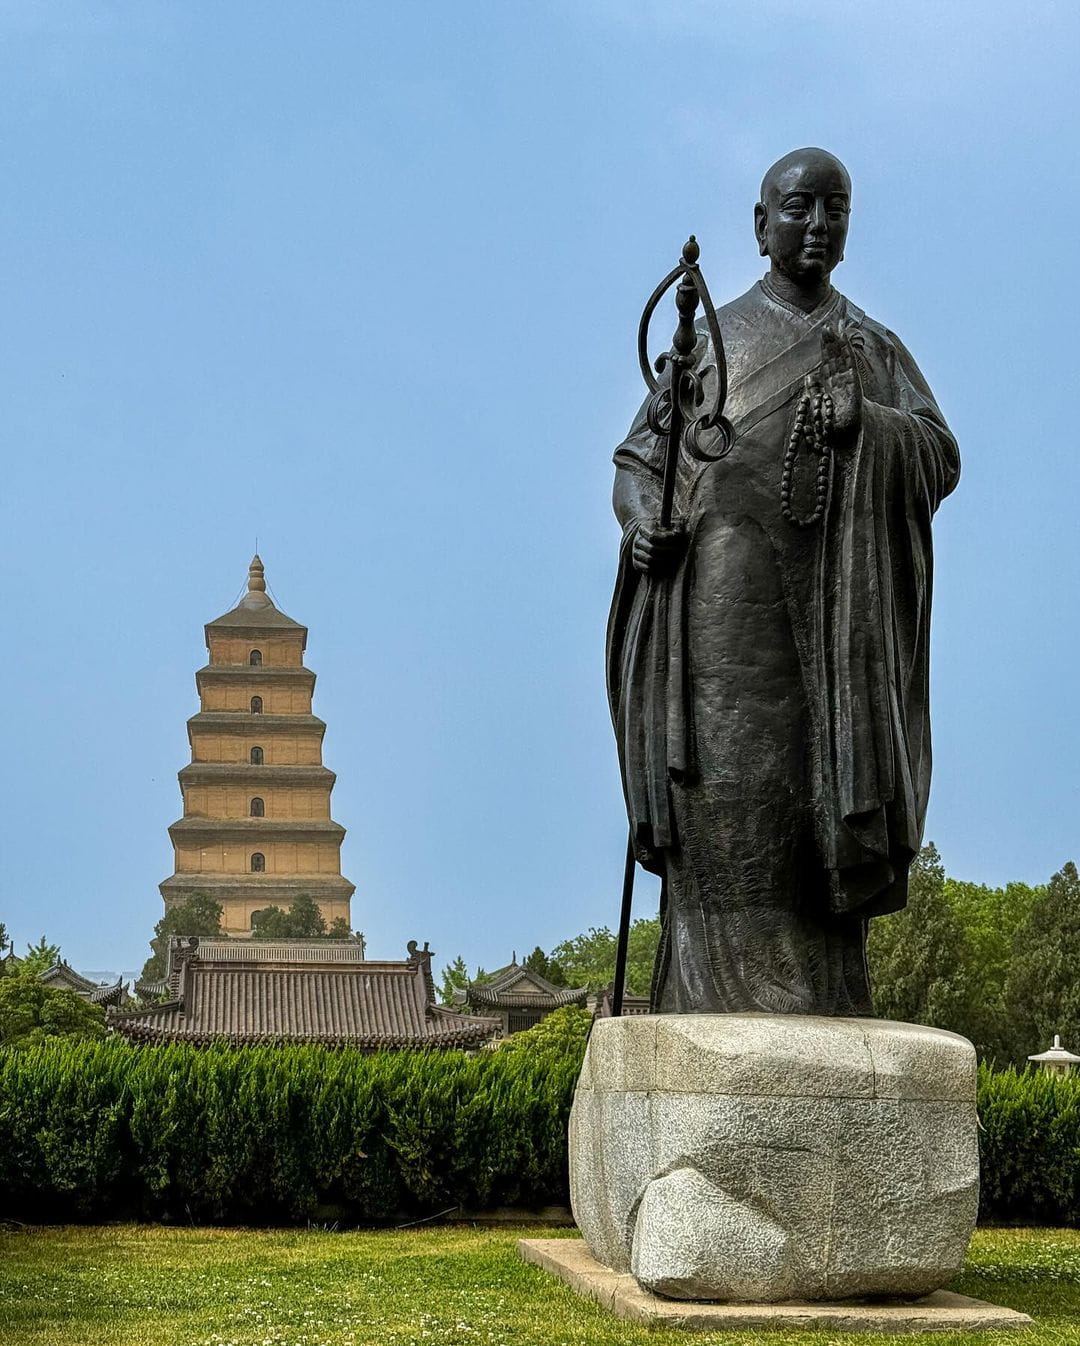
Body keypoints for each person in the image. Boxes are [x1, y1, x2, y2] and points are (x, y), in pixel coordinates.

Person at [607, 148, 959, 1015]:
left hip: (834, 620)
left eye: (836, 209)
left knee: (815, 801)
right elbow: (640, 460)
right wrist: (644, 524)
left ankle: (821, 1005)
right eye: (799, 208)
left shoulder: (870, 346)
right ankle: (707, 1001)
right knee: (726, 795)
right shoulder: (707, 344)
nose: (818, 225)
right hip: (716, 610)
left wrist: (869, 426)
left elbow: (939, 453)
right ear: (762, 226)